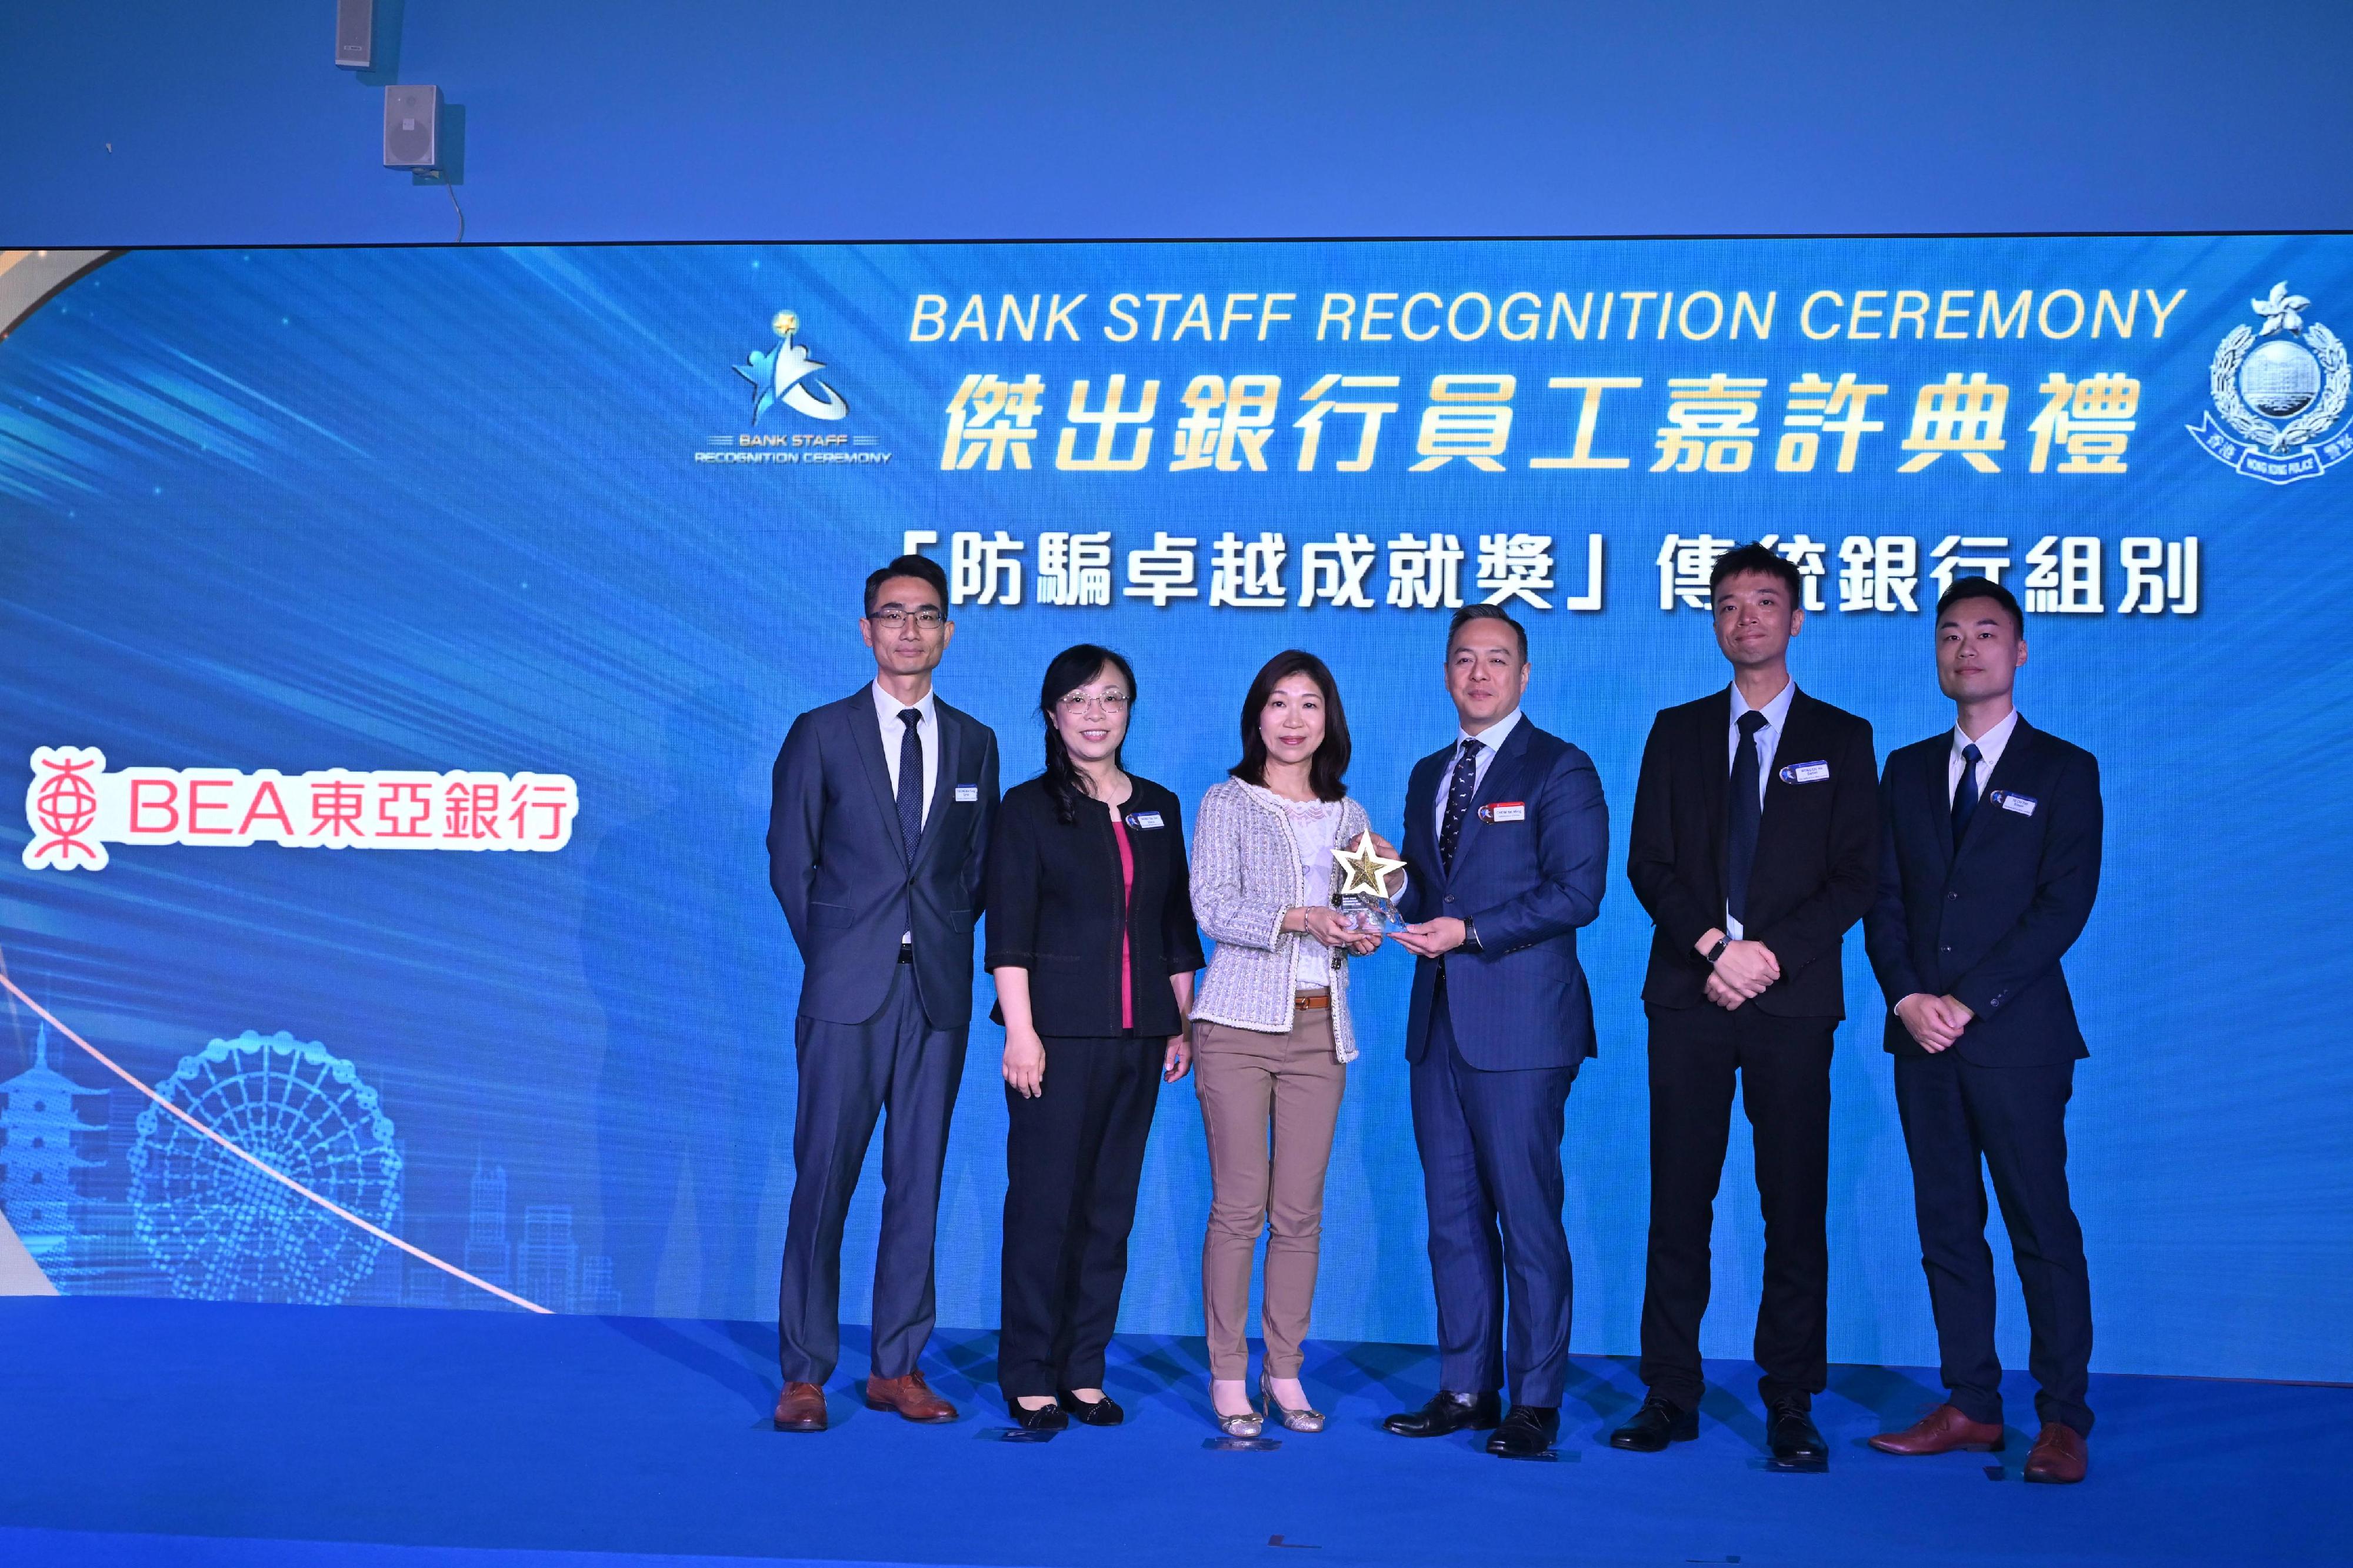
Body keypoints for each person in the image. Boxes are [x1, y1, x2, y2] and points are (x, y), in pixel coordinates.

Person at [1618, 542, 1877, 1463]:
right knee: (1678, 1201)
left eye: (1765, 602)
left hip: (1790, 1002)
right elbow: (1649, 862)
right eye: (1728, 604)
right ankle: (1670, 1390)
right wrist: (1714, 947)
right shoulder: (1677, 730)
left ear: (1796, 618)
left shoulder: (1843, 736)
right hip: (1690, 995)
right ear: (1714, 621)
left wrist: (1769, 955)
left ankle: (1792, 1398)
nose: (1746, 618)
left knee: (1793, 1205)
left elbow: (1858, 874)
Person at [1862, 577, 2102, 1484]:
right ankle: (1971, 1402)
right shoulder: (1907, 769)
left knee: (2041, 1223)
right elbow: (1883, 899)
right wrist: (1907, 998)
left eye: (1988, 633)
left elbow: (2062, 905)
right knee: (1947, 1224)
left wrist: (1967, 1000)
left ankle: (2063, 1416)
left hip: (2017, 1038)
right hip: (1920, 1037)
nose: (1968, 648)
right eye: (1952, 634)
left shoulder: (2063, 768)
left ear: (2021, 650)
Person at [765, 554, 1001, 1433]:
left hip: (935, 994)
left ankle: (897, 1366)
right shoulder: (821, 732)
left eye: (927, 615)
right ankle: (805, 1372)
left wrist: (929, 941)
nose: (911, 629)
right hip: (845, 992)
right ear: (867, 630)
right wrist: (840, 955)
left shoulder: (975, 741)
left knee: (918, 1180)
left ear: (948, 632)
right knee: (824, 1178)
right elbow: (791, 860)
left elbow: (976, 868)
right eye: (894, 614)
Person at [1380, 603, 1610, 1461]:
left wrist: (1471, 932)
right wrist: (1381, 884)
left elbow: (1578, 892)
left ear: (1524, 674)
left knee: (1527, 1217)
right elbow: (1425, 893)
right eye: (1464, 659)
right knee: (1452, 1215)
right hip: (1438, 1024)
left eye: (1497, 659)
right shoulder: (1429, 772)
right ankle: (1466, 1387)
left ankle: (1536, 1401)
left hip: (1522, 1028)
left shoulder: (1560, 767)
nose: (1479, 674)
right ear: (1446, 672)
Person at [986, 645, 1204, 1433]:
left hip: (1141, 1036)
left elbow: (1175, 927)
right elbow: (1008, 933)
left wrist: (1181, 1022)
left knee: (1110, 1209)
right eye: (1078, 700)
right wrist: (1021, 1032)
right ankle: (1029, 1372)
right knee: (1045, 1205)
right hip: (1054, 1038)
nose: (1095, 714)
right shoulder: (1027, 808)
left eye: (1111, 698)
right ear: (1052, 714)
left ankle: (1083, 1368)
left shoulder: (1159, 806)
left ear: (1129, 711)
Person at [1188, 650, 1390, 1437]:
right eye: (1279, 703)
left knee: (1300, 1213)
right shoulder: (1227, 801)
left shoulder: (1350, 815)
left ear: (1328, 720)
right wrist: (1303, 918)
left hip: (1319, 1028)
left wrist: (1367, 923)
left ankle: (1285, 1371)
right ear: (1258, 717)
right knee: (1240, 1206)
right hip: (1237, 1025)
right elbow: (1213, 907)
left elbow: (1366, 913)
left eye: (1310, 704)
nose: (1294, 720)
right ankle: (1228, 1374)